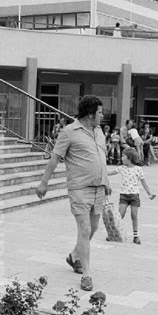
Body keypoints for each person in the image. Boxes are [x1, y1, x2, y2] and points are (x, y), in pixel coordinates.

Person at [35, 95, 111, 292]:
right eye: (100, 113)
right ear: (90, 114)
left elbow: (102, 158)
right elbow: (55, 158)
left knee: (93, 228)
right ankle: (86, 274)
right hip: (79, 188)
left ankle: (74, 256)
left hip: (99, 188)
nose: (102, 116)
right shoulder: (69, 132)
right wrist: (44, 183)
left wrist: (107, 182)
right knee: (85, 230)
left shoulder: (99, 131)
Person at [107, 148, 156, 244]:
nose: (121, 157)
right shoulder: (122, 168)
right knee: (120, 215)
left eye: (123, 156)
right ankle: (113, 233)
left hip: (134, 196)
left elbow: (144, 182)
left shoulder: (138, 170)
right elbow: (110, 173)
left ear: (129, 158)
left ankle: (136, 236)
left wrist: (150, 193)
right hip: (124, 196)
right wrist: (101, 173)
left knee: (134, 215)